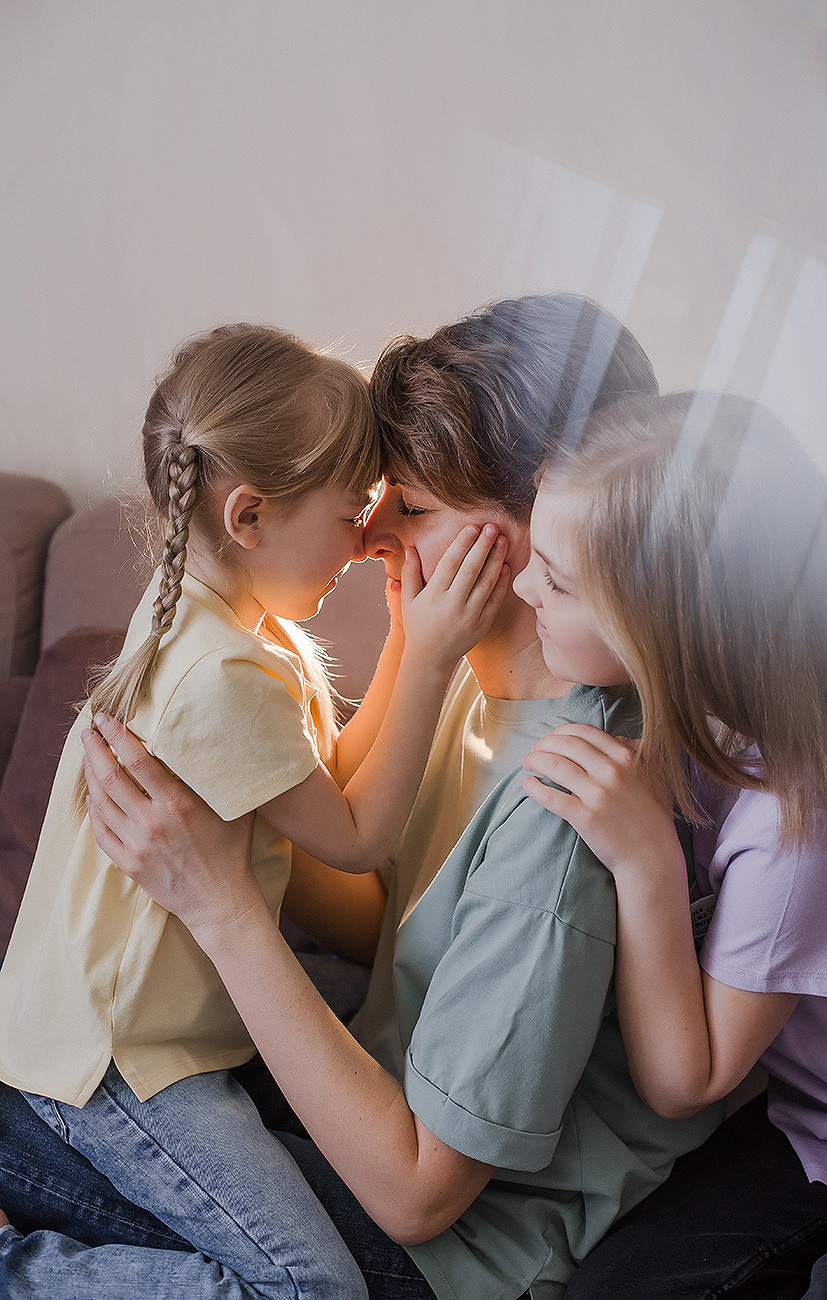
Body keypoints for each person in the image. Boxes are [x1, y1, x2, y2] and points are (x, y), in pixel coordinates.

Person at [0, 296, 721, 1300]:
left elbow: (421, 1196)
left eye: (411, 509)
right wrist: (233, 822)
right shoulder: (474, 674)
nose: (370, 532)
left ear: (536, 534)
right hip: (346, 1117)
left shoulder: (561, 815)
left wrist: (219, 901)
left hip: (435, 1252)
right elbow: (373, 897)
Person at [0, 322, 510, 1300]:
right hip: (121, 1063)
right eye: (349, 512)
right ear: (248, 516)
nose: (365, 542)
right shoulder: (222, 676)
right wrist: (433, 653)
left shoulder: (207, 620)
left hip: (127, 1039)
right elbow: (360, 839)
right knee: (311, 1288)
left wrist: (409, 635)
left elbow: (328, 803)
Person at [514, 390, 827, 1298]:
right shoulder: (694, 700)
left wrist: (643, 862)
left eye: (553, 579)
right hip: (803, 1112)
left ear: (661, 623)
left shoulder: (802, 821)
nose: (522, 588)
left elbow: (688, 1077)